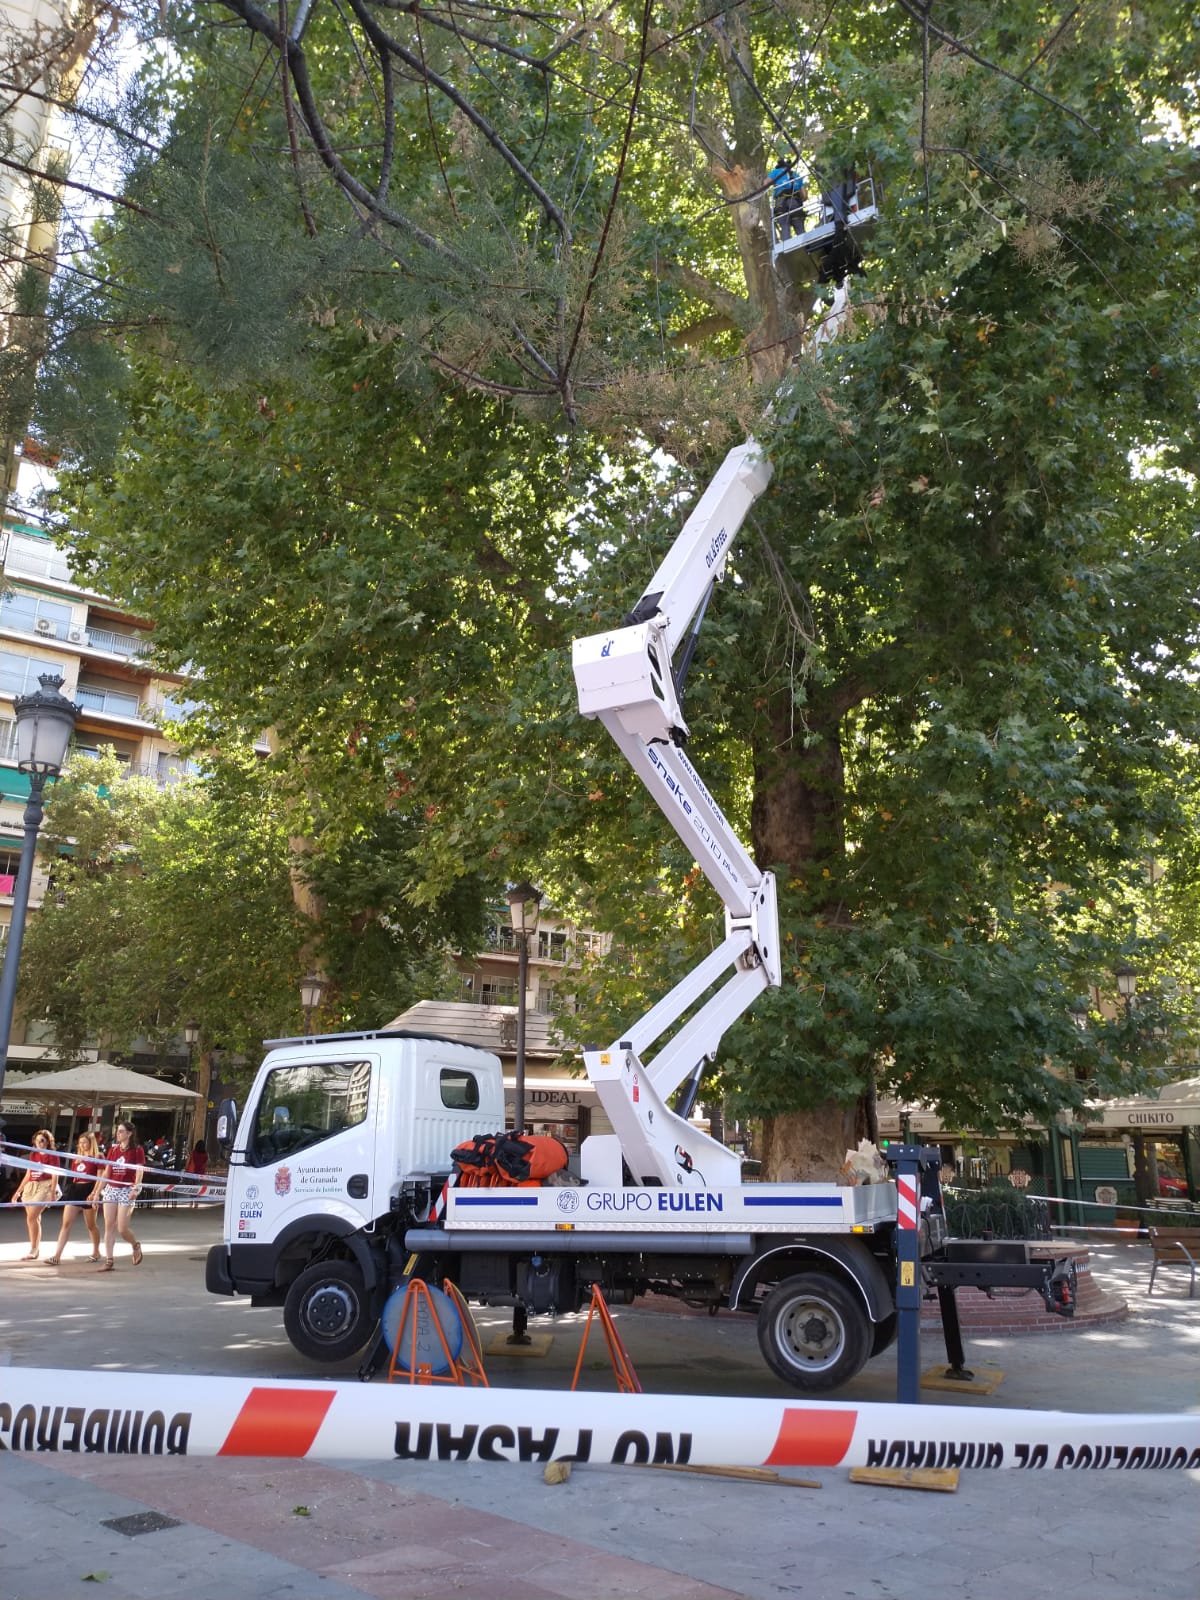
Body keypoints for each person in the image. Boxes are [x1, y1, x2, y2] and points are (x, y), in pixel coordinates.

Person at [43, 1132, 104, 1263]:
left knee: (91, 1225)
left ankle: (96, 1251)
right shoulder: (76, 1158)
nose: (82, 1145)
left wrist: (94, 1193)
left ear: (91, 1143)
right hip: (75, 1190)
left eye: (85, 1142)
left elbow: (100, 1177)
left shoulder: (98, 1156)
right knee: (66, 1224)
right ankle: (57, 1256)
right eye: (80, 1142)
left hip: (89, 1189)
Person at [95, 1120, 146, 1271]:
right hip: (112, 1188)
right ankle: (109, 1260)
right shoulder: (113, 1150)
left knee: (122, 1228)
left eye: (121, 1131)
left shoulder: (137, 1150)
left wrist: (135, 1188)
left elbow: (139, 1170)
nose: (118, 1133)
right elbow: (106, 1172)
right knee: (109, 1226)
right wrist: (98, 1191)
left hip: (127, 1189)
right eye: (117, 1131)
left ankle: (135, 1245)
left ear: (129, 1134)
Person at [13, 1129, 60, 1259]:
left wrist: (52, 1192)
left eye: (42, 1140)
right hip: (31, 1186)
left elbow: (55, 1174)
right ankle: (35, 1249)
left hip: (45, 1184)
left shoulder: (52, 1154)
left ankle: (33, 1249)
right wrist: (18, 1192)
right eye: (37, 1140)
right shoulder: (33, 1155)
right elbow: (28, 1174)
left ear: (47, 1142)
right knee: (34, 1219)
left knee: (32, 1217)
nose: (39, 1143)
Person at [184, 1139, 208, 1208]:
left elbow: (188, 1162)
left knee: (192, 1188)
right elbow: (205, 1164)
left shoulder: (193, 1153)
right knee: (198, 1188)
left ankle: (191, 1203)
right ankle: (196, 1203)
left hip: (192, 1172)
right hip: (200, 1173)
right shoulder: (206, 1154)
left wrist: (186, 1169)